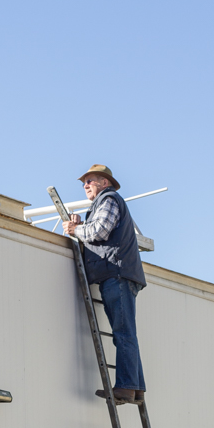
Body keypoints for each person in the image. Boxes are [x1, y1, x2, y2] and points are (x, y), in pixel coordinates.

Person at [63, 164, 146, 405]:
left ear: (105, 182)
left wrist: (76, 229)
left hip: (116, 274)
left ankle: (127, 387)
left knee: (123, 334)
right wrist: (79, 226)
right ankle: (136, 387)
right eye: (84, 182)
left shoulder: (108, 199)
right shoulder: (103, 204)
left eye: (90, 180)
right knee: (126, 333)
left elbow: (99, 231)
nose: (85, 185)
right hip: (120, 274)